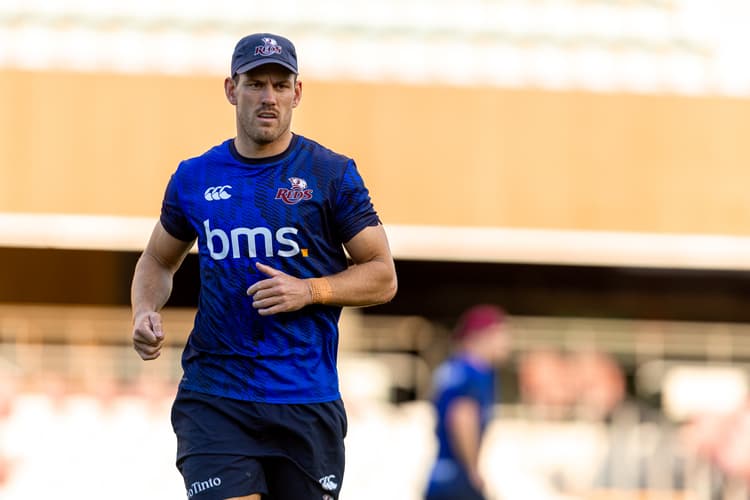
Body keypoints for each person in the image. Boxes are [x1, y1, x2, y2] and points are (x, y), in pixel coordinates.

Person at [130, 32, 397, 500]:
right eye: (256, 83)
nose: (268, 97)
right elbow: (157, 258)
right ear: (231, 89)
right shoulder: (195, 177)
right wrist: (143, 310)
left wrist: (310, 290)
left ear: (297, 92)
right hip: (216, 396)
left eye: (279, 84)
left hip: (305, 400)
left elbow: (382, 274)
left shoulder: (331, 174)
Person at [424, 305, 510, 500]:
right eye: (502, 335)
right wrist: (473, 470)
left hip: (440, 474)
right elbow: (462, 417)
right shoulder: (473, 372)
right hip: (457, 476)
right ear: (484, 335)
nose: (507, 343)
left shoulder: (452, 368)